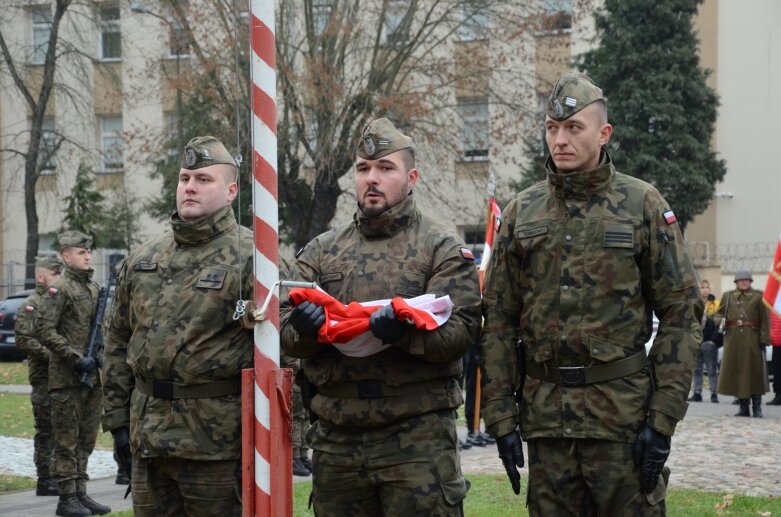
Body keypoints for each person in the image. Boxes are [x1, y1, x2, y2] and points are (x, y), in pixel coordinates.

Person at [478, 72, 703, 516]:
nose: (559, 140)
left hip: (622, 420)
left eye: (573, 128)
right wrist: (501, 417)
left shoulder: (642, 204)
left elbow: (681, 313)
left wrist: (662, 420)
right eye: (551, 128)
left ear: (603, 133)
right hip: (547, 424)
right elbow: (498, 320)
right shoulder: (523, 211)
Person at [281, 118, 481, 515]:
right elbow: (283, 331)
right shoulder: (321, 251)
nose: (372, 179)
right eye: (363, 169)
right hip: (338, 439)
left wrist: (402, 334)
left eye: (385, 169)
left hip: (416, 438)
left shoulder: (440, 248)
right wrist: (302, 330)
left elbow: (462, 331)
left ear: (411, 176)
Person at [101, 136, 254, 516]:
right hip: (148, 439)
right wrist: (118, 422)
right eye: (185, 178)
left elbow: (285, 353)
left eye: (204, 179)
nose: (190, 187)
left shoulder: (253, 256)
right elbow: (118, 339)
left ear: (231, 190)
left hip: (216, 443)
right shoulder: (144, 256)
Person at [38, 231, 111, 516]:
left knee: (86, 440)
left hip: (92, 378)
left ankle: (81, 493)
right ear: (66, 256)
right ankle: (66, 498)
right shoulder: (61, 289)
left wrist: (100, 361)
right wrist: (75, 358)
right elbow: (43, 330)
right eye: (81, 252)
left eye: (88, 252)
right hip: (67, 380)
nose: (87, 256)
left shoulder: (92, 288)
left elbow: (100, 333)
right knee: (66, 441)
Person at [14, 255, 62, 496]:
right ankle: (45, 479)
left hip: (62, 377)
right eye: (55, 274)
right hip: (43, 377)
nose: (59, 278)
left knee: (61, 429)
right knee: (46, 429)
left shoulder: (57, 301)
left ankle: (59, 476)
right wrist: (53, 355)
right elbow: (23, 339)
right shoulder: (32, 304)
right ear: (41, 276)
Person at [716, 270, 770, 417]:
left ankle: (757, 408)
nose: (744, 282)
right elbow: (719, 314)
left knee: (755, 373)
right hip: (733, 340)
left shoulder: (759, 296)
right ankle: (743, 408)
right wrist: (720, 321)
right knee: (738, 373)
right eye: (741, 280)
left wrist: (764, 338)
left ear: (751, 281)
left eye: (746, 280)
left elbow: (765, 319)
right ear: (736, 282)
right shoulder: (728, 297)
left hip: (752, 339)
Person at [688, 280, 721, 403]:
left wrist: (714, 340)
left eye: (707, 287)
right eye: (702, 287)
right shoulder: (695, 303)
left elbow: (720, 324)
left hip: (709, 342)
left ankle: (714, 393)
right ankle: (697, 392)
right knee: (697, 369)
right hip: (696, 341)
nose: (705, 290)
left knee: (712, 369)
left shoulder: (716, 305)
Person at [768, 310, 781, 405]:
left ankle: (778, 395)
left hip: (777, 339)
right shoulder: (774, 305)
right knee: (777, 370)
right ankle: (778, 394)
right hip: (777, 340)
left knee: (777, 369)